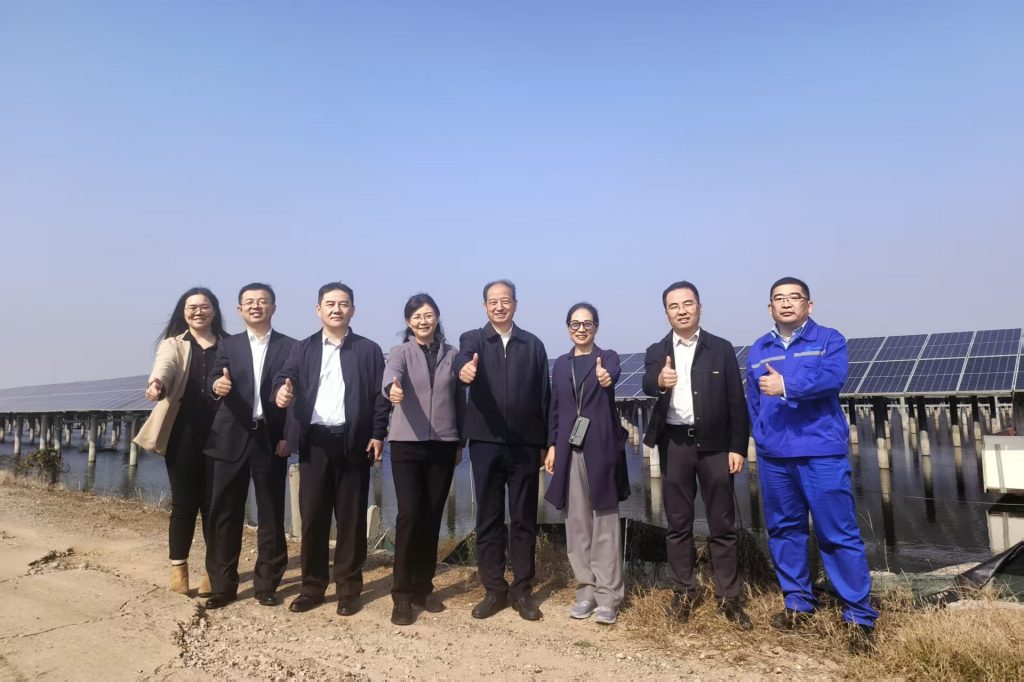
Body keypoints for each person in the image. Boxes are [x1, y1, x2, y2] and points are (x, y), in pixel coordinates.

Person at [745, 276, 878, 652]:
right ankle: (798, 603)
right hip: (775, 456)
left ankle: (859, 616)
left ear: (809, 305)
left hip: (820, 452)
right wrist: (762, 435)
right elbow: (753, 400)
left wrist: (786, 386)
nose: (786, 303)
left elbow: (831, 380)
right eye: (779, 298)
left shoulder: (829, 340)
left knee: (837, 532)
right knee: (784, 530)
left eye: (794, 297)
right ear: (770, 307)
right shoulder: (759, 349)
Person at [272, 282, 390, 616]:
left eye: (343, 304)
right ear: (318, 309)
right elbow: (284, 378)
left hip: (354, 442)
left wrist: (378, 433)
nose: (336, 309)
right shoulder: (303, 348)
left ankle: (348, 589)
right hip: (315, 443)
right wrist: (281, 391)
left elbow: (380, 397)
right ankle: (312, 587)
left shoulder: (368, 349)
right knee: (314, 518)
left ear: (352, 309)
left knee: (351, 520)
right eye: (330, 303)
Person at [642, 281, 752, 630]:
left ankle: (729, 597)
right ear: (666, 313)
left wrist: (738, 447)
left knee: (722, 523)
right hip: (675, 444)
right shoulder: (657, 350)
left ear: (699, 307)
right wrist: (660, 380)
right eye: (674, 306)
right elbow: (647, 382)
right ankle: (684, 592)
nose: (682, 310)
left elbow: (737, 401)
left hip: (716, 445)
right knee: (677, 523)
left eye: (688, 303)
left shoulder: (720, 348)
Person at [454, 279, 550, 621]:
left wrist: (546, 442)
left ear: (515, 304)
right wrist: (464, 370)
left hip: (525, 443)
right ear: (484, 306)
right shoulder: (473, 340)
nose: (499, 306)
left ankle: (522, 591)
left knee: (523, 518)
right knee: (489, 518)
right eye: (492, 301)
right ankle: (493, 589)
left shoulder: (533, 344)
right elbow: (460, 363)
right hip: (485, 442)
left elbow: (544, 396)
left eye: (505, 300)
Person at [202, 283, 297, 609]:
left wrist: (289, 436)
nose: (256, 306)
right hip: (230, 437)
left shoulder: (290, 347)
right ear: (240, 309)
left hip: (270, 439)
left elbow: (297, 395)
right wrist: (218, 384)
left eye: (263, 301)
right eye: (249, 302)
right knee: (224, 513)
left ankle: (267, 584)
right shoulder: (228, 345)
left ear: (273, 307)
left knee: (271, 513)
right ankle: (222, 586)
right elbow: (215, 378)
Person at [134, 286, 228, 596]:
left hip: (221, 435)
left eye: (204, 306)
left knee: (214, 506)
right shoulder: (173, 344)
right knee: (184, 504)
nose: (198, 311)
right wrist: (156, 384)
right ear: (183, 312)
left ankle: (213, 571)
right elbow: (165, 368)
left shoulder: (229, 344)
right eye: (192, 307)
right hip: (183, 434)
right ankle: (179, 570)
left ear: (214, 310)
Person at [543, 302, 629, 625]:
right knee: (577, 523)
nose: (581, 329)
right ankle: (586, 592)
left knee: (605, 523)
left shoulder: (608, 357)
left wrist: (606, 377)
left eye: (587, 324)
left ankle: (608, 597)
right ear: (568, 328)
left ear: (596, 327)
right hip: (569, 450)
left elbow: (612, 375)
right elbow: (555, 408)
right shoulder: (561, 365)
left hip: (601, 449)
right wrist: (552, 446)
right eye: (575, 324)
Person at [382, 293, 461, 626]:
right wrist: (392, 390)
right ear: (408, 322)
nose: (423, 320)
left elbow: (460, 397)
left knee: (431, 517)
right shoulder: (400, 352)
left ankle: (422, 588)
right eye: (417, 316)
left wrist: (459, 442)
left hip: (443, 444)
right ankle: (401, 593)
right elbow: (391, 376)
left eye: (428, 315)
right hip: (407, 445)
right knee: (409, 515)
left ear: (437, 317)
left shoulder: (453, 354)